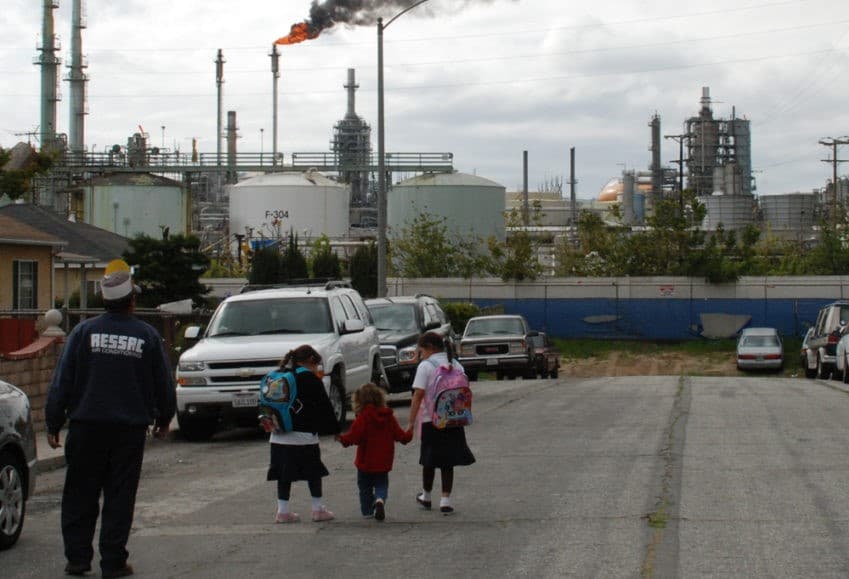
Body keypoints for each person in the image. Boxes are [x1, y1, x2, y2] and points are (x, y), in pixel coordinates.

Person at [45, 259, 176, 578]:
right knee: (120, 496)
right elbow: (162, 381)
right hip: (127, 432)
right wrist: (164, 418)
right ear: (131, 301)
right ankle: (113, 562)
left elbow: (62, 381)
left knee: (79, 494)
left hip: (85, 427)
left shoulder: (82, 332)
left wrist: (53, 422)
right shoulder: (146, 335)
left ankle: (78, 559)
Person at [265, 345, 340, 523]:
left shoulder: (279, 375)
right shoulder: (309, 378)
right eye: (317, 366)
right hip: (304, 437)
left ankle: (282, 512)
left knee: (283, 475)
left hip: (278, 435)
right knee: (313, 473)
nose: (317, 370)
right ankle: (317, 509)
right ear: (311, 361)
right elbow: (325, 406)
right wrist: (335, 430)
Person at [407, 332, 475, 515]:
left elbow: (417, 395)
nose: (420, 355)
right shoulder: (456, 364)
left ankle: (426, 495)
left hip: (431, 420)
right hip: (453, 419)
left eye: (421, 351)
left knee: (428, 459)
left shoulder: (426, 366)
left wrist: (411, 422)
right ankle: (446, 499)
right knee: (448, 461)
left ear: (429, 347)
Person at [336, 382, 413, 521]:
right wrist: (409, 432)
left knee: (364, 487)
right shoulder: (388, 417)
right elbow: (401, 436)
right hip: (383, 462)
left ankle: (367, 511)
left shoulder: (363, 418)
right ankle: (379, 500)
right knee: (381, 484)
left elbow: (353, 437)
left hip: (365, 461)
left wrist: (341, 438)